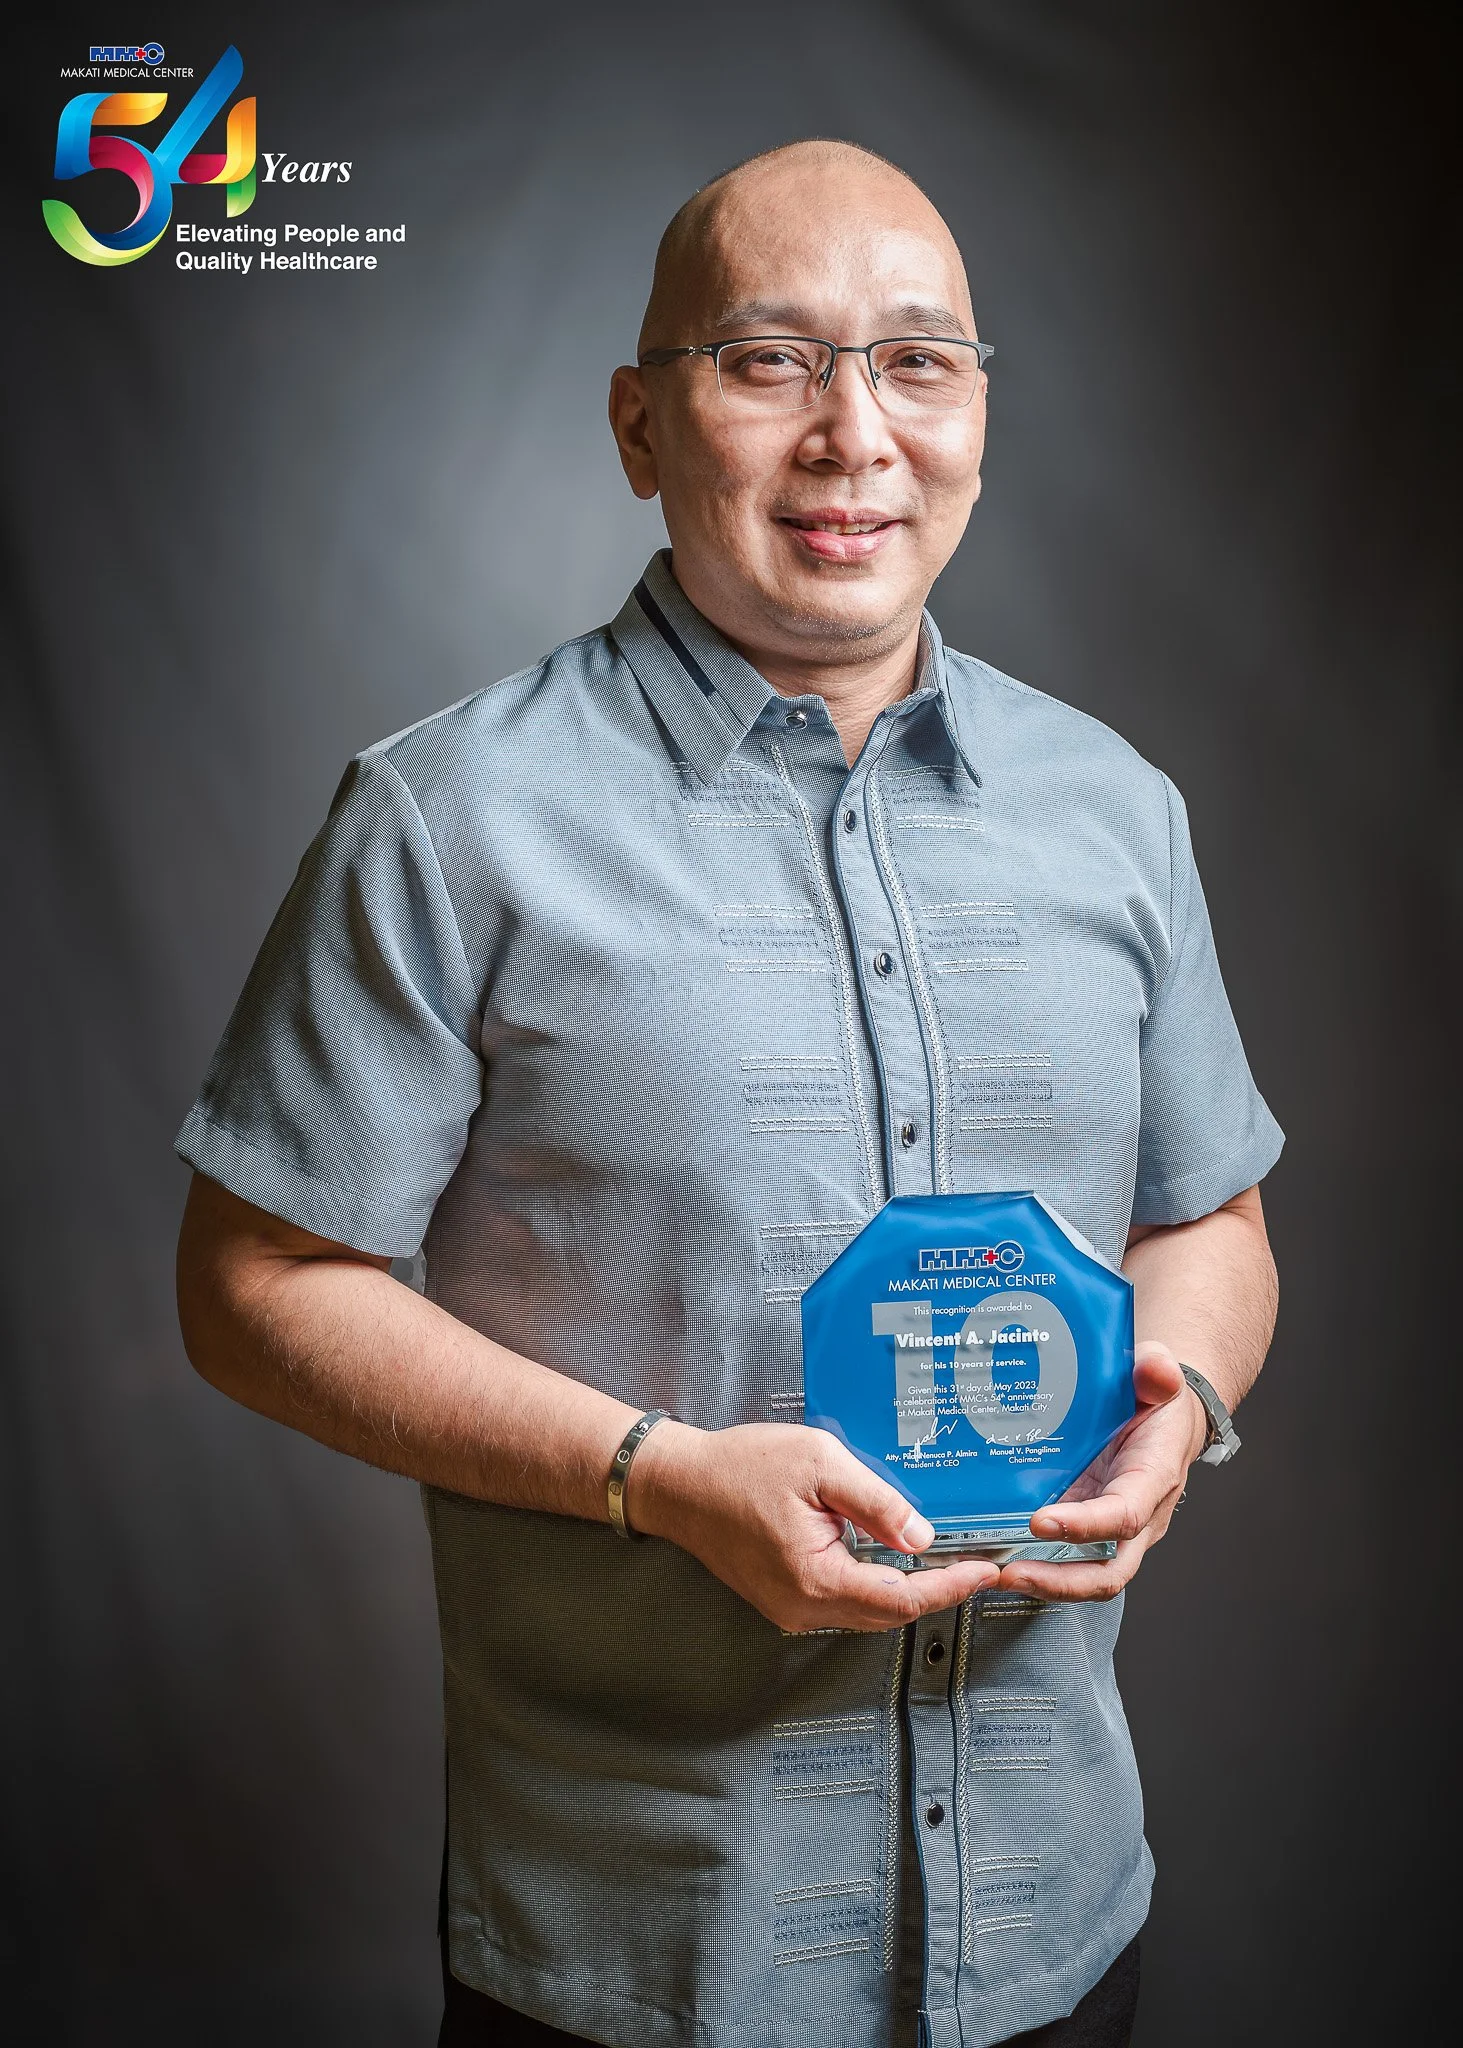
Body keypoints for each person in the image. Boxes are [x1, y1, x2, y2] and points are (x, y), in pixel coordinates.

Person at [174, 139, 1282, 2048]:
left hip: (1052, 1919)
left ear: (977, 418)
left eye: (915, 363)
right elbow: (252, 1288)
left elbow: (1211, 1222)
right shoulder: (450, 818)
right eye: (767, 359)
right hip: (636, 1946)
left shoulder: (1118, 807)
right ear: (637, 421)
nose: (852, 434)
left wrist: (1177, 1409)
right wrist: (660, 1482)